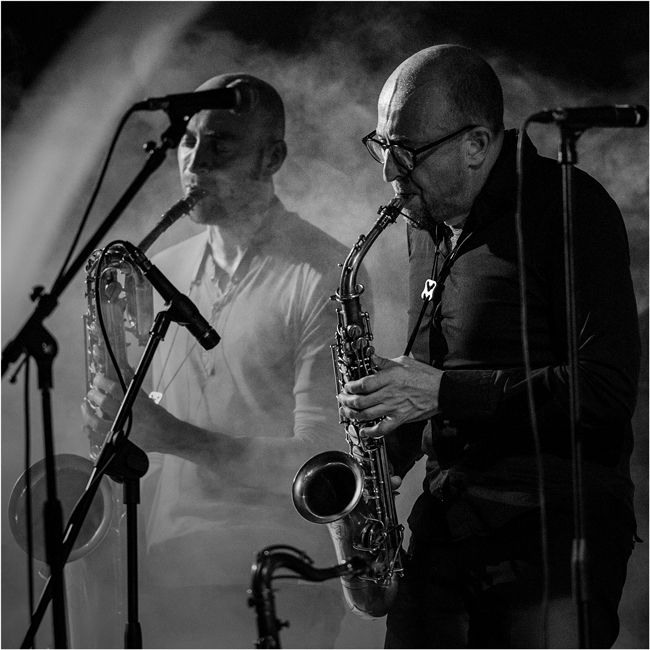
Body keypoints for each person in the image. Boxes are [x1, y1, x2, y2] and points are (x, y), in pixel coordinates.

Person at [337, 45, 641, 648]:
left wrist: (445, 393)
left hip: (548, 531)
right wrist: (385, 446)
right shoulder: (427, 227)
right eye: (382, 146)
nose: (389, 171)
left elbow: (605, 389)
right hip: (446, 525)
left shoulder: (569, 208)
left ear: (476, 144)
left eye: (407, 151)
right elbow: (434, 376)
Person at [82, 73, 350, 649]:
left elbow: (323, 465)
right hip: (169, 575)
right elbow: (155, 421)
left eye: (220, 144)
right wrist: (119, 423)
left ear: (272, 158)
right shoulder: (164, 268)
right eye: (186, 141)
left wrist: (173, 436)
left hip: (279, 575)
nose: (194, 162)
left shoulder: (323, 272)